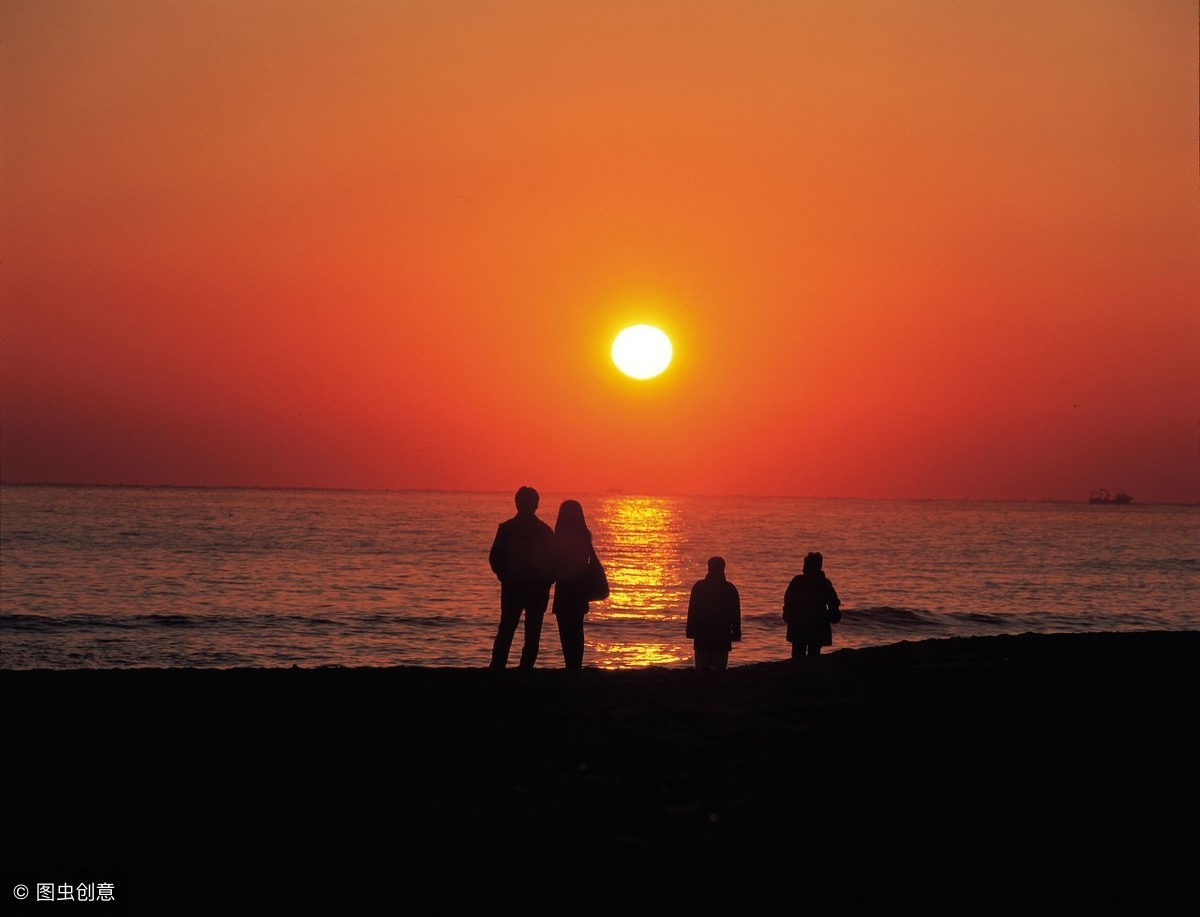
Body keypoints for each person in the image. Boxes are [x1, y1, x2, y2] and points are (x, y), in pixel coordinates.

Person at [488, 486, 556, 669]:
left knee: (506, 629)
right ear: (536, 504)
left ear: (517, 503)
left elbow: (494, 557)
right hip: (537, 588)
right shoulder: (544, 530)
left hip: (513, 587)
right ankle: (526, 668)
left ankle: (497, 666)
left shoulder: (507, 528)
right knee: (532, 632)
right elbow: (554, 561)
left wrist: (505, 577)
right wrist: (546, 581)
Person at [549, 499, 603, 669]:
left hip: (564, 588)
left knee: (565, 630)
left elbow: (554, 564)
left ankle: (569, 665)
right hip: (579, 588)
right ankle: (576, 666)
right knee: (577, 630)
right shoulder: (584, 536)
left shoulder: (558, 537)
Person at [685, 556, 742, 671]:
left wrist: (690, 630)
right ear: (723, 568)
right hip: (721, 635)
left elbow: (692, 611)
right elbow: (735, 614)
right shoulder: (730, 589)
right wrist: (736, 632)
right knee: (719, 670)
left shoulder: (699, 587)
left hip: (703, 635)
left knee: (702, 670)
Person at [783, 551, 841, 658]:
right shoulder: (822, 582)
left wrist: (788, 614)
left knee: (800, 655)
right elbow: (833, 602)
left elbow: (788, 600)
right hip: (813, 626)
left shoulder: (799, 581)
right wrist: (833, 615)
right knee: (812, 655)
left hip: (802, 626)